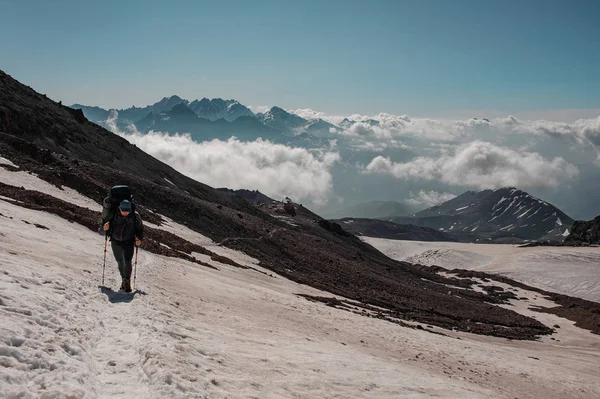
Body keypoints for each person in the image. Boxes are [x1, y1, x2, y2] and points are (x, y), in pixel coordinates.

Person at [102, 199, 143, 292]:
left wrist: (139, 239)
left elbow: (140, 229)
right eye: (123, 210)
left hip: (128, 241)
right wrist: (104, 228)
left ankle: (127, 282)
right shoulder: (112, 215)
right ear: (119, 208)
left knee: (127, 260)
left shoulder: (135, 216)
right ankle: (123, 279)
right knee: (120, 261)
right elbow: (101, 229)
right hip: (115, 241)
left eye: (127, 211)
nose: (125, 213)